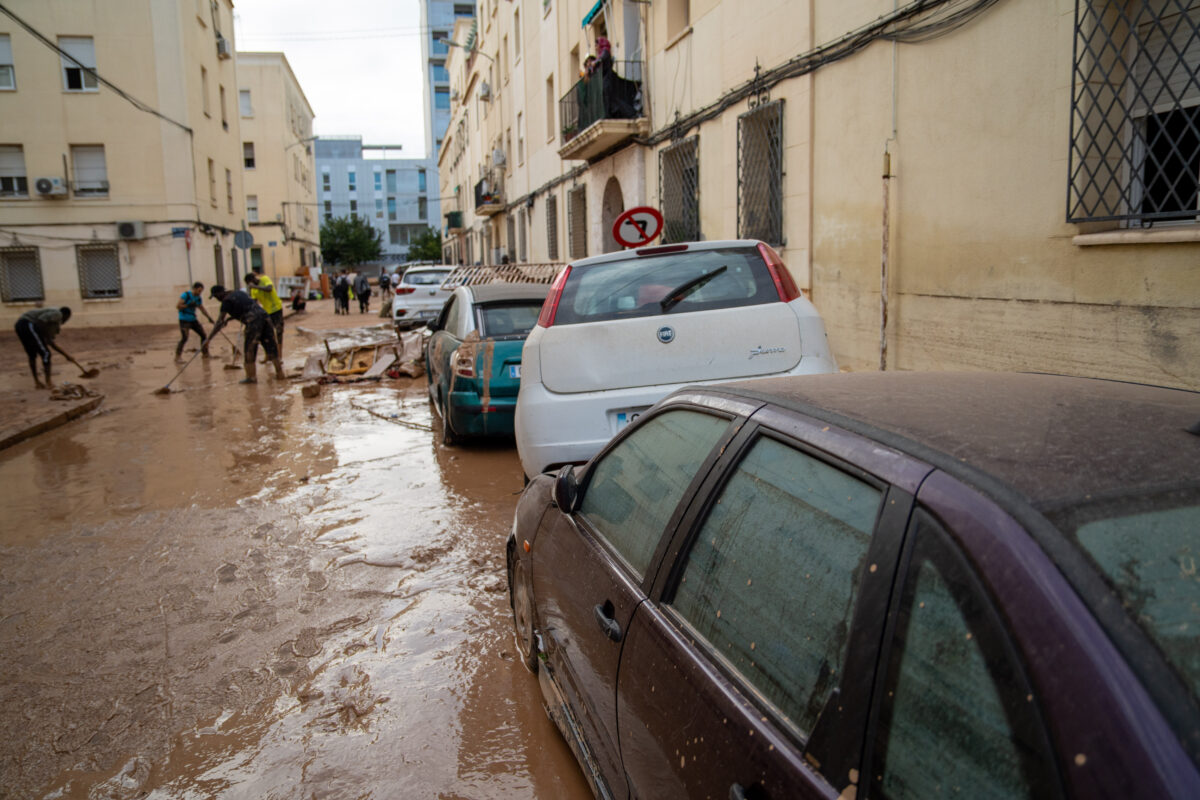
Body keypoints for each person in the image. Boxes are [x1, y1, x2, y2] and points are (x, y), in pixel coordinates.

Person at [206, 285, 285, 384]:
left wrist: (209, 338)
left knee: (249, 348)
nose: (217, 299)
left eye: (216, 296)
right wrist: (230, 319)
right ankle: (280, 374)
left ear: (220, 293)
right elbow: (247, 306)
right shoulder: (239, 293)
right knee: (271, 346)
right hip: (265, 317)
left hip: (253, 321)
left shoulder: (226, 301)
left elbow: (219, 322)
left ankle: (251, 377)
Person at [14, 306, 76, 389]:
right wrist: (42, 335)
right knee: (46, 353)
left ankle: (37, 382)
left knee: (32, 354)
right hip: (28, 324)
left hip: (20, 326)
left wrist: (67, 356)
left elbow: (51, 343)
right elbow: (40, 320)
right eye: (68, 318)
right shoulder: (58, 314)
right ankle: (48, 382)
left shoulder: (51, 323)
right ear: (66, 315)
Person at [244, 271, 285, 355]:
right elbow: (254, 302)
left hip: (276, 308)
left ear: (252, 279)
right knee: (267, 333)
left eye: (248, 283)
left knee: (279, 330)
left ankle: (279, 354)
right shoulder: (253, 290)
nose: (249, 285)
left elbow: (269, 289)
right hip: (266, 311)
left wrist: (255, 286)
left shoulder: (265, 279)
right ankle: (269, 355)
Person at [175, 281, 213, 361]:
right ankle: (178, 357)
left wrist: (209, 317)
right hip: (184, 320)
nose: (200, 293)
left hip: (193, 320)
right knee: (185, 338)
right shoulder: (186, 295)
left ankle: (205, 354)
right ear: (194, 289)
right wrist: (188, 305)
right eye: (199, 291)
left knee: (203, 335)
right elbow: (178, 306)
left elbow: (201, 308)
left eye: (201, 291)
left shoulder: (198, 298)